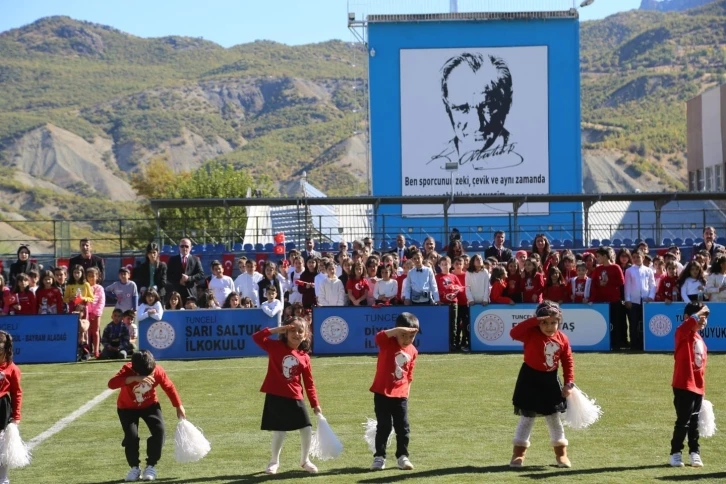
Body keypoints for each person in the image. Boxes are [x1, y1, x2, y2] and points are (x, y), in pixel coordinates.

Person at [509, 301, 574, 469]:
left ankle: (561, 455)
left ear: (559, 322)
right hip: (529, 379)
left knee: (553, 418)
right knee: (527, 418)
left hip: (550, 381)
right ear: (538, 321)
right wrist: (533, 320)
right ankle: (518, 455)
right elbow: (514, 332)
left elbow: (567, 361)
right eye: (544, 322)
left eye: (553, 322)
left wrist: (568, 383)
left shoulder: (563, 339)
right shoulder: (531, 333)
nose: (549, 326)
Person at [252, 318, 321, 475]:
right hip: (276, 395)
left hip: (295, 396)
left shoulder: (304, 357)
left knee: (306, 428)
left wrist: (315, 404)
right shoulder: (275, 347)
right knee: (280, 431)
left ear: (305, 335)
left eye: (300, 331)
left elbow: (309, 384)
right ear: (286, 332)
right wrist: (276, 330)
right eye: (292, 330)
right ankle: (274, 461)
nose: (296, 334)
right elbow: (256, 337)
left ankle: (305, 460)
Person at [108, 350, 186, 482]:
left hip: (150, 406)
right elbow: (111, 384)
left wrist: (178, 405)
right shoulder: (128, 369)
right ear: (135, 370)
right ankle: (134, 467)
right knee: (131, 437)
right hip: (126, 408)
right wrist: (133, 379)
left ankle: (151, 466)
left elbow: (169, 387)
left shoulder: (157, 371)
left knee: (159, 432)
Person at [431, 53, 515, 168]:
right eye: (462, 108)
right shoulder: (435, 163)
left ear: (507, 103)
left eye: (487, 107)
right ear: (447, 107)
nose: (477, 125)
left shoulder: (529, 156)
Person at [369, 312, 419, 471]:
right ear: (397, 332)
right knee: (384, 426)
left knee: (403, 427)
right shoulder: (387, 343)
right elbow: (378, 337)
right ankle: (379, 457)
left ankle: (402, 456)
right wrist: (397, 330)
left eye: (412, 336)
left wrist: (406, 393)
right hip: (382, 393)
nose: (407, 339)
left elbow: (409, 375)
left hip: (401, 396)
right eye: (403, 335)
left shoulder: (413, 351)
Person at [669, 302, 709, 468]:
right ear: (688, 318)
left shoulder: (700, 339)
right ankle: (675, 453)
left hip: (698, 387)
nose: (703, 321)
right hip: (684, 384)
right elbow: (686, 325)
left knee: (695, 422)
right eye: (701, 317)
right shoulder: (682, 333)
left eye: (706, 318)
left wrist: (702, 389)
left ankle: (695, 452)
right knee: (683, 421)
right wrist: (699, 312)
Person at [589, 248, 625, 350]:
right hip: (601, 302)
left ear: (605, 256)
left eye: (598, 256)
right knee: (603, 323)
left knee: (616, 323)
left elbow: (622, 282)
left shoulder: (616, 267)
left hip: (614, 300)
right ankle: (605, 344)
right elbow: (594, 284)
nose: (597, 259)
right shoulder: (597, 269)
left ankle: (616, 344)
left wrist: (608, 282)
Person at [0, 331, 22, 484]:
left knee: (2, 445)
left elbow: (16, 392)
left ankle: (3, 479)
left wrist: (17, 415)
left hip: (1, 407)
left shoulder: (12, 368)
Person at [624, 251, 656, 351]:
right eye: (634, 257)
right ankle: (634, 344)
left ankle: (644, 344)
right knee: (633, 323)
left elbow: (652, 285)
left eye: (638, 257)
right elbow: (627, 286)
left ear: (643, 257)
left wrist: (651, 296)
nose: (636, 259)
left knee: (644, 323)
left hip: (646, 301)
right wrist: (627, 299)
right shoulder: (629, 271)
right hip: (634, 300)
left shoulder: (649, 270)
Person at [166, 238, 205, 303]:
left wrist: (189, 278)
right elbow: (168, 275)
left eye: (186, 246)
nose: (184, 248)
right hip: (176, 293)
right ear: (179, 247)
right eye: (182, 246)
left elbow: (201, 274)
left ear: (190, 248)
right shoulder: (172, 260)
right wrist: (179, 281)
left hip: (191, 292)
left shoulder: (195, 259)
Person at [86, 267, 106, 359]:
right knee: (87, 332)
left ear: (97, 277)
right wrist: (87, 312)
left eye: (93, 276)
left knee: (95, 332)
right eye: (89, 276)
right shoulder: (85, 287)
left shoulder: (99, 288)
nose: (91, 278)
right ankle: (87, 350)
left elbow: (101, 302)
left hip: (96, 314)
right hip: (86, 313)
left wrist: (95, 312)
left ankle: (96, 350)